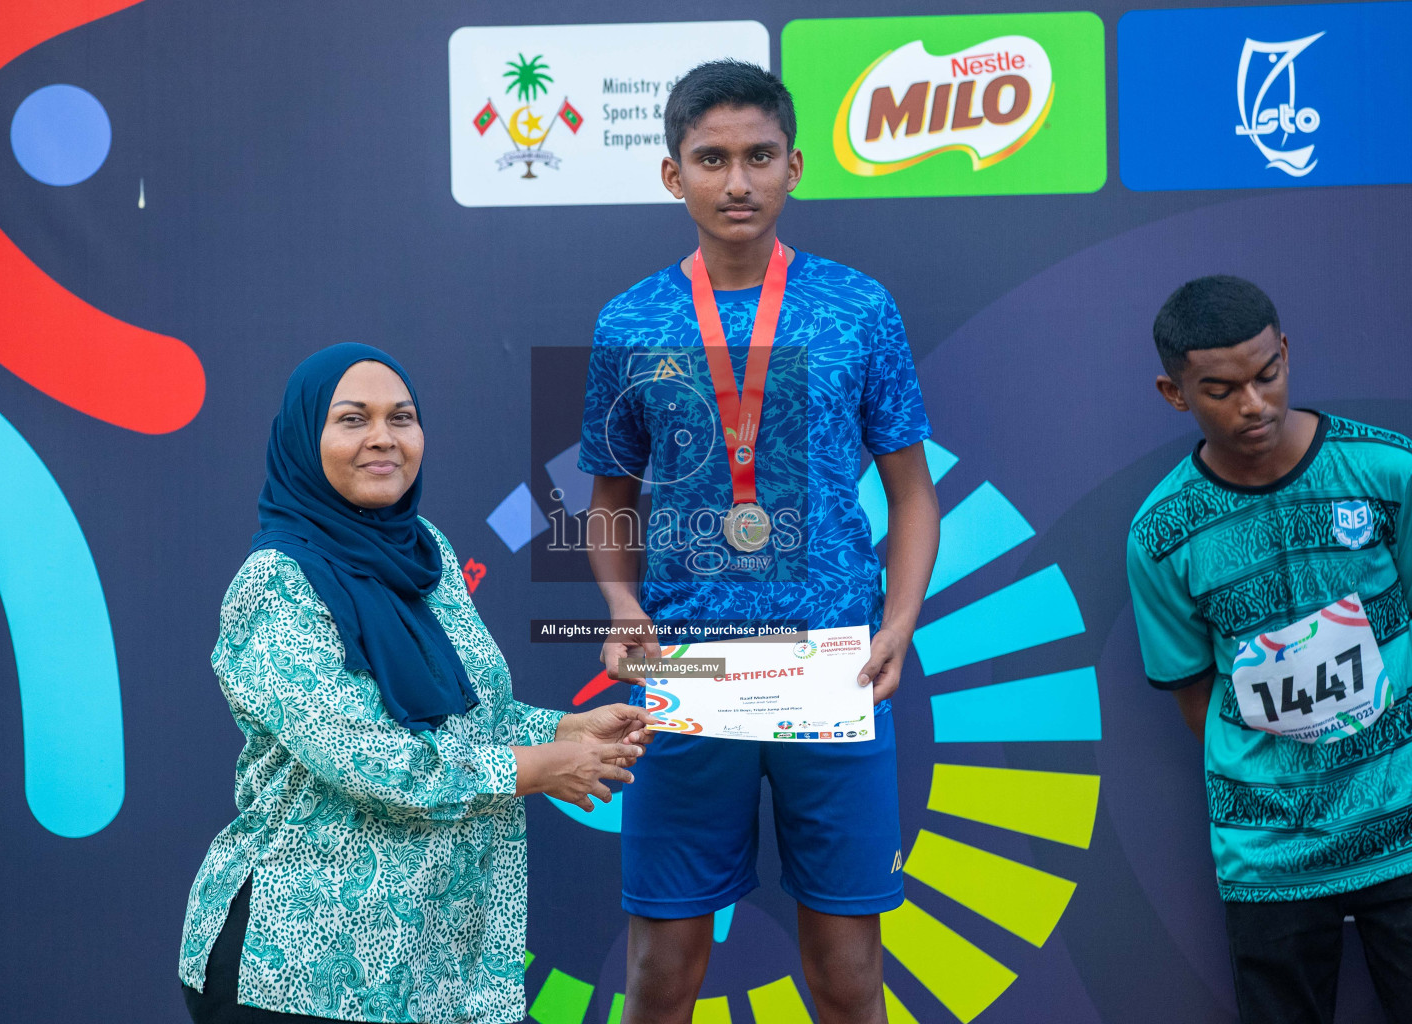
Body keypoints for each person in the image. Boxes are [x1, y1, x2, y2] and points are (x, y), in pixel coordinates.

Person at [576, 62, 941, 1024]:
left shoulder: (859, 307)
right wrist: (621, 606)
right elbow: (610, 499)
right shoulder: (629, 321)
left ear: (795, 168)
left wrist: (897, 623)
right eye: (711, 159)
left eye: (758, 157)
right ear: (672, 175)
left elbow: (911, 494)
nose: (736, 181)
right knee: (662, 969)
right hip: (691, 674)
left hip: (835, 671)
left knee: (847, 971)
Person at [178, 344, 656, 1024]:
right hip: (301, 972)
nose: (383, 437)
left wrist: (560, 729)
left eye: (401, 417)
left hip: (427, 971)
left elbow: (457, 711)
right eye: (352, 419)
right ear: (303, 440)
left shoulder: (423, 550)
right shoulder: (276, 583)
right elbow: (376, 762)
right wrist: (540, 767)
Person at [1126, 276, 1412, 1023]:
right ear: (1175, 393)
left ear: (1286, 353)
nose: (1255, 404)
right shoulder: (1161, 532)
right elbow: (1194, 693)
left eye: (1267, 375)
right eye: (1222, 389)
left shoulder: (1388, 470)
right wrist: (1281, 773)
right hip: (1268, 849)